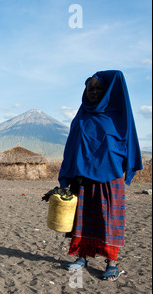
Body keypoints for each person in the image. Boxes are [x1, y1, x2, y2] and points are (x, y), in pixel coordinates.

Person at [58, 70, 143, 281]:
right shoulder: (81, 118)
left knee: (110, 219)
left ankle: (112, 261)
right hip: (83, 177)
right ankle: (82, 256)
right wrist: (67, 176)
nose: (94, 92)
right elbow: (72, 147)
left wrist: (127, 166)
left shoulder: (117, 116)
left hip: (110, 176)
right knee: (82, 217)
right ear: (85, 92)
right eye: (90, 88)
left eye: (99, 88)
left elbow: (128, 141)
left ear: (106, 92)